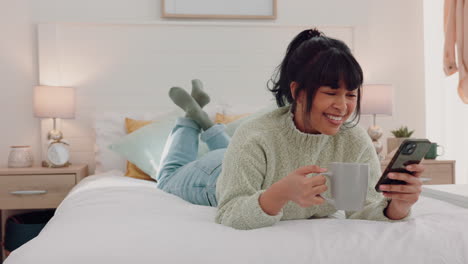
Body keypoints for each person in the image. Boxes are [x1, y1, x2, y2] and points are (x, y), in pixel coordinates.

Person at [157, 29, 425, 230]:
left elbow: (363, 209)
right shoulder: (256, 134)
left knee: (236, 149)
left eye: (351, 95)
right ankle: (190, 119)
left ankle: (202, 119)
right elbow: (230, 212)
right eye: (331, 92)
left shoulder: (353, 140)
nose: (343, 107)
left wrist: (398, 206)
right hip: (214, 176)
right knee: (167, 178)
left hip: (246, 159)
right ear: (297, 91)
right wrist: (280, 193)